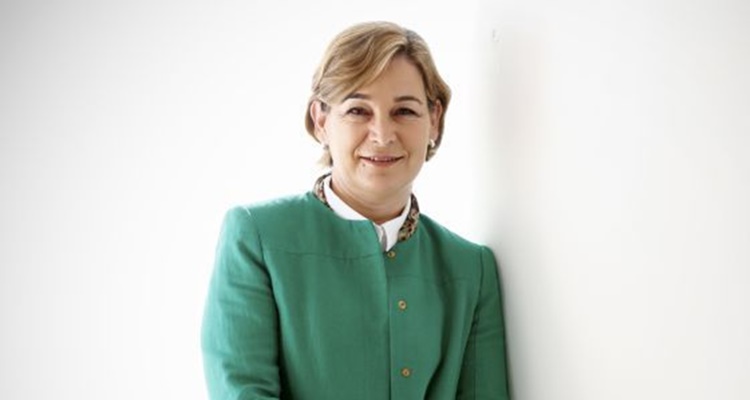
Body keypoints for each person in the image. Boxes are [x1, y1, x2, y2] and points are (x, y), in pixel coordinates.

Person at [201, 21, 510, 399]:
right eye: (358, 110)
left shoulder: (471, 268)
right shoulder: (257, 238)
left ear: (434, 120)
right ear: (321, 120)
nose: (382, 134)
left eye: (404, 111)